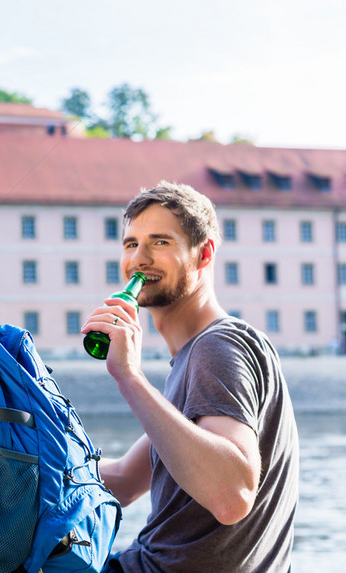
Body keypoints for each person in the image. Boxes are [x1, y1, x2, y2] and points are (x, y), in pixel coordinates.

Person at [81, 181, 299, 572]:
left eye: (160, 242)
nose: (139, 258)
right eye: (131, 244)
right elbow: (126, 480)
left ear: (204, 254)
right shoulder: (195, 358)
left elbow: (232, 495)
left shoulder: (217, 347)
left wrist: (129, 375)